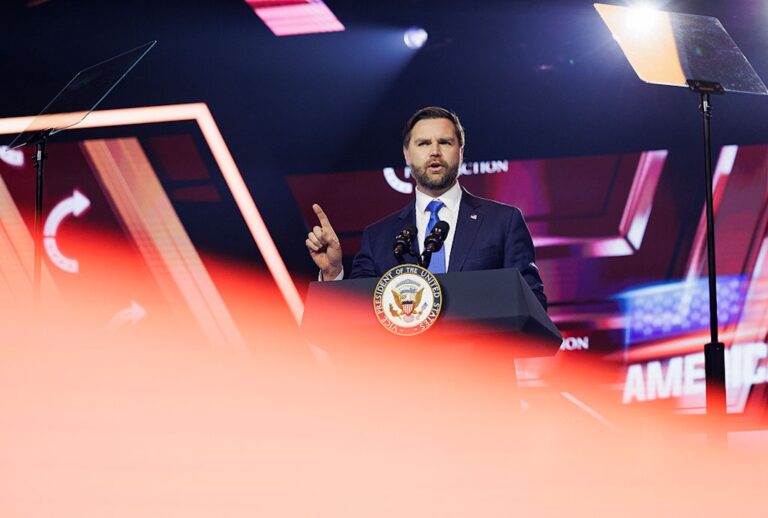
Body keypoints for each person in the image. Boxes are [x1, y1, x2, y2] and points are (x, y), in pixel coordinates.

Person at [305, 106, 546, 309]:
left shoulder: (503, 222)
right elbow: (356, 313)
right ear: (406, 154)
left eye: (445, 142)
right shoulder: (378, 237)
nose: (434, 152)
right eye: (423, 144)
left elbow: (533, 305)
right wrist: (333, 272)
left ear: (460, 152)